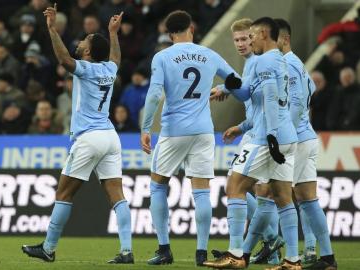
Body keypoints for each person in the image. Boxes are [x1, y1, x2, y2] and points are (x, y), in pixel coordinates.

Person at [22, 5, 134, 264]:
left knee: (64, 194)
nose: (81, 40)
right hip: (110, 137)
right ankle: (127, 251)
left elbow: (63, 61)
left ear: (88, 51)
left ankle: (48, 248)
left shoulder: (87, 68)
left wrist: (52, 30)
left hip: (89, 138)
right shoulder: (109, 69)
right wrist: (114, 34)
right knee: (117, 195)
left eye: (85, 40)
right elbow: (116, 58)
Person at [140, 10, 242, 267]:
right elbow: (236, 81)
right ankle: (201, 253)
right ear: (192, 28)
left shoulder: (162, 56)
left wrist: (145, 127)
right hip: (204, 131)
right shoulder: (209, 54)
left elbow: (153, 95)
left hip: (174, 131)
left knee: (157, 186)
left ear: (169, 33)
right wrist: (223, 89)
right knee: (201, 193)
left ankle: (164, 249)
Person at [204, 17, 299, 269]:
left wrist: (270, 136)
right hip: (287, 135)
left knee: (234, 186)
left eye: (251, 36)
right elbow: (248, 92)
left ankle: (236, 255)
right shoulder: (275, 58)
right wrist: (230, 86)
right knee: (281, 197)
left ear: (263, 34)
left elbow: (268, 97)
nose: (249, 40)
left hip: (267, 135)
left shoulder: (264, 60)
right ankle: (293, 260)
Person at [275, 18, 338, 270]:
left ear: (285, 39)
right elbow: (309, 89)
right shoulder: (298, 65)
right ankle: (325, 256)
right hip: (305, 136)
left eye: (271, 37)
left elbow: (300, 101)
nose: (267, 41)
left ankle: (261, 248)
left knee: (271, 192)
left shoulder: (288, 64)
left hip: (297, 139)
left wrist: (282, 132)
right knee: (306, 199)